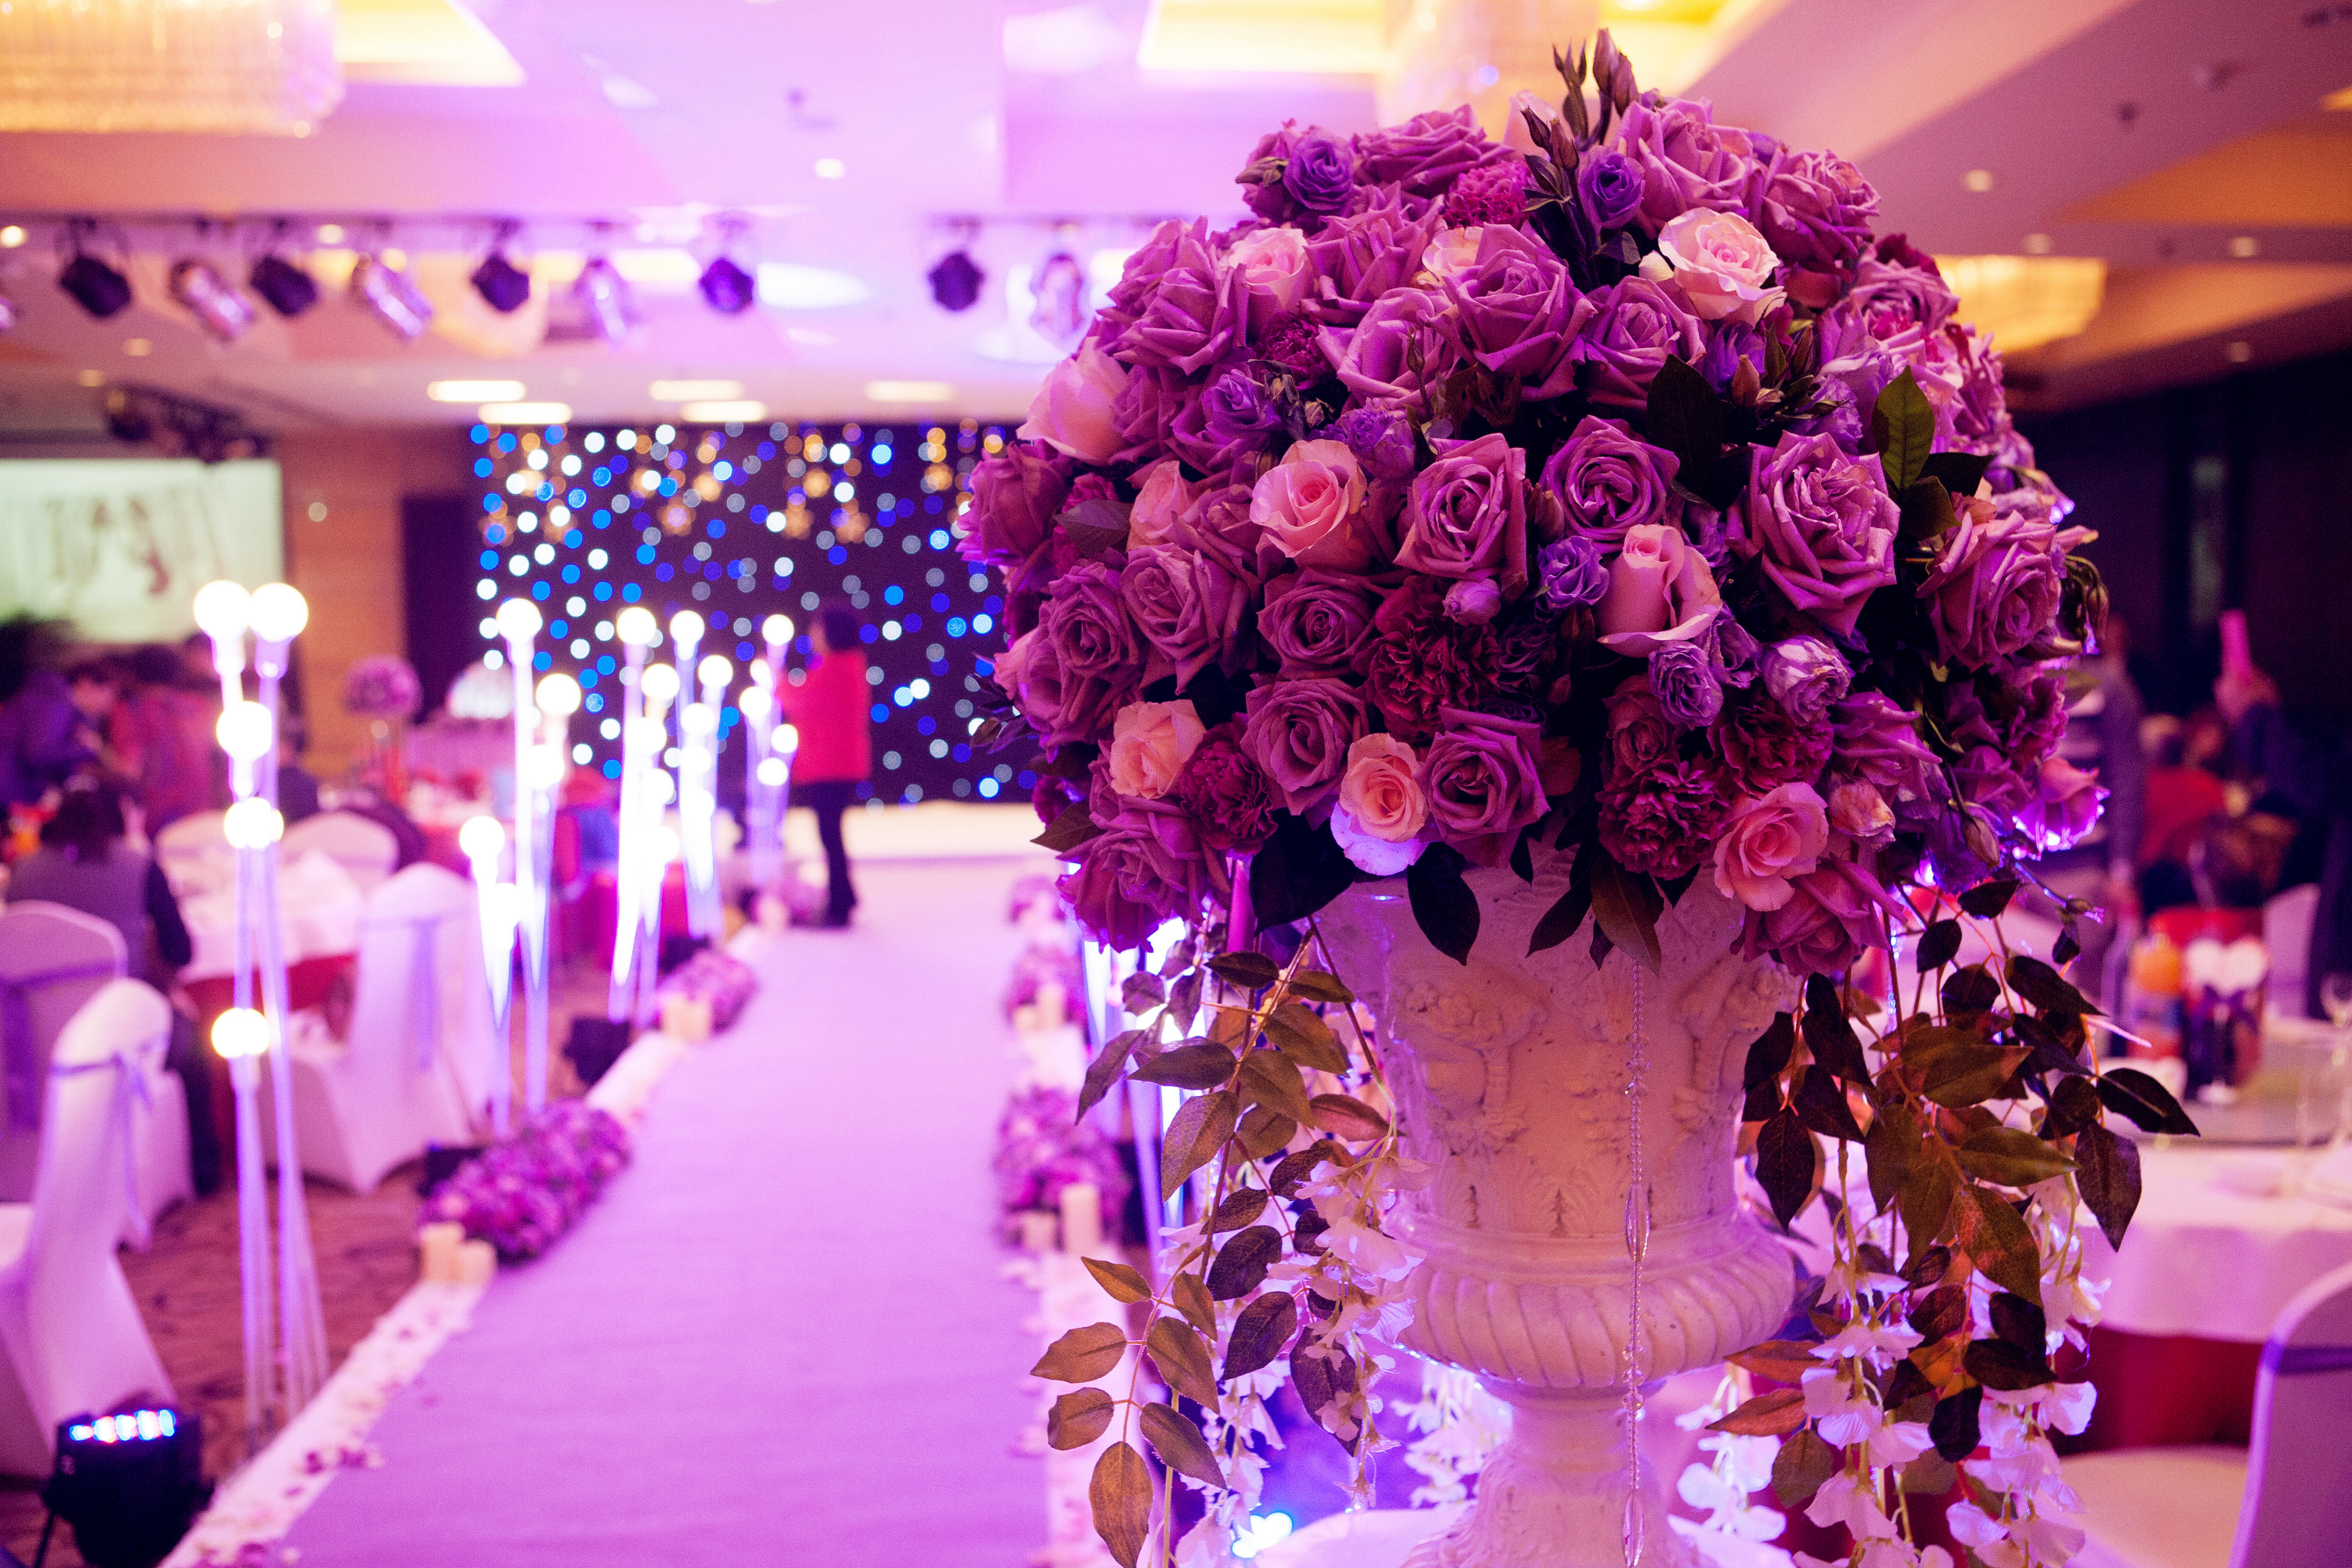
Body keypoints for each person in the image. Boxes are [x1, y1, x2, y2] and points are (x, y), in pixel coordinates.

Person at [5, 780, 218, 1191]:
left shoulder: (23, 875)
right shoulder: (138, 866)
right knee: (194, 1043)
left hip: (34, 1044)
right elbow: (181, 951)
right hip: (122, 1038)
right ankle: (204, 1172)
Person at [776, 600, 872, 928]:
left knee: (830, 835)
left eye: (817, 628)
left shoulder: (837, 668)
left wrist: (776, 679)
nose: (812, 635)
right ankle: (844, 897)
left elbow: (800, 702)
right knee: (831, 834)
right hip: (837, 764)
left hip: (832, 765)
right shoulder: (847, 665)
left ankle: (840, 904)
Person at [111, 644, 227, 834]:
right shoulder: (200, 706)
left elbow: (130, 768)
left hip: (154, 815)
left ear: (135, 674)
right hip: (200, 809)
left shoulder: (129, 711)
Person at [0, 657, 120, 807]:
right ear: (86, 683)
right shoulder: (56, 703)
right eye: (109, 694)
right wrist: (87, 749)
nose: (108, 705)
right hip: (8, 792)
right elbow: (38, 754)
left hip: (13, 790)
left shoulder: (61, 705)